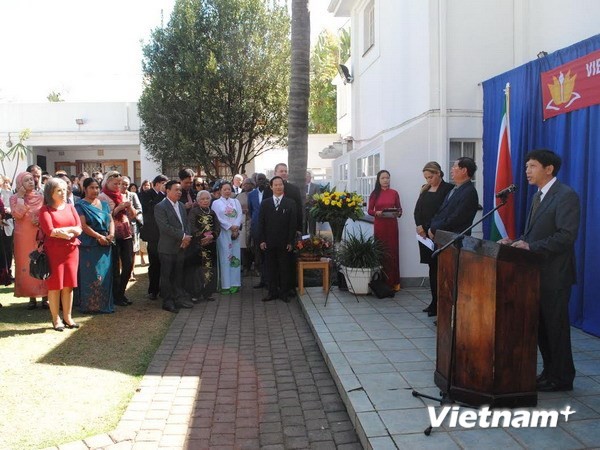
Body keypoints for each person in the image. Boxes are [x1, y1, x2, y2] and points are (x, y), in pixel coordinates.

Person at [499, 149, 580, 392]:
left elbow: (566, 236)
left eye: (532, 166)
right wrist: (515, 241)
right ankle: (549, 372)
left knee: (555, 328)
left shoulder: (565, 196)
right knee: (542, 328)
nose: (527, 171)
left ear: (548, 169)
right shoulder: (538, 197)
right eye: (526, 167)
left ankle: (563, 377)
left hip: (555, 275)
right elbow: (533, 235)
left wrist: (531, 246)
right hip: (535, 274)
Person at [38, 177, 82, 331]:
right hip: (54, 252)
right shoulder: (45, 210)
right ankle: (56, 319)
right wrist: (69, 231)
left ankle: (68, 317)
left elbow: (79, 228)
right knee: (55, 285)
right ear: (50, 193)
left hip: (71, 250)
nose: (63, 193)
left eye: (64, 189)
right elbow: (50, 231)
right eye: (59, 190)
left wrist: (66, 232)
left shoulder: (71, 207)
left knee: (69, 285)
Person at [413, 162, 454, 316]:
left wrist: (430, 228)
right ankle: (433, 301)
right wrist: (419, 226)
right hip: (425, 236)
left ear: (438, 174)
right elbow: (417, 211)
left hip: (438, 234)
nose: (428, 180)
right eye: (426, 178)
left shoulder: (448, 189)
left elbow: (443, 213)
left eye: (431, 177)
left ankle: (442, 303)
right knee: (432, 268)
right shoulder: (425, 189)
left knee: (441, 269)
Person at [74, 178, 115, 313]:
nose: (95, 190)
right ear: (85, 189)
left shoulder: (104, 204)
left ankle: (104, 305)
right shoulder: (80, 205)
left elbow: (110, 220)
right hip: (89, 244)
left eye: (97, 187)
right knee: (91, 274)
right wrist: (99, 237)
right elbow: (83, 225)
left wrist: (111, 234)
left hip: (105, 244)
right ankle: (90, 305)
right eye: (92, 187)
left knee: (105, 274)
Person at [10, 172, 48, 309]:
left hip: (39, 234)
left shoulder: (41, 197)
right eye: (26, 180)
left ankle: (45, 297)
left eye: (32, 179)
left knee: (42, 261)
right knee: (26, 263)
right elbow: (17, 214)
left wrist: (40, 221)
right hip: (23, 236)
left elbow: (46, 212)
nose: (31, 182)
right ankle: (31, 297)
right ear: (20, 184)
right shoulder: (14, 198)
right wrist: (20, 197)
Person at [154, 180, 194, 312]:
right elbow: (165, 227)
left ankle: (178, 298)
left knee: (178, 274)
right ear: (167, 190)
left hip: (181, 246)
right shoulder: (160, 206)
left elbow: (186, 222)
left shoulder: (181, 205)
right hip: (167, 247)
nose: (179, 192)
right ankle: (168, 301)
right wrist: (183, 236)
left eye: (180, 190)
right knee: (167, 275)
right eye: (176, 189)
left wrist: (186, 237)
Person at [99, 171, 136, 306]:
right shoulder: (102, 197)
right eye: (115, 183)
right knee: (115, 266)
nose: (118, 186)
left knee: (128, 264)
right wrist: (119, 207)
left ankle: (121, 292)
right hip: (113, 233)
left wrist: (129, 205)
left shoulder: (123, 195)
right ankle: (116, 295)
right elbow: (105, 216)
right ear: (107, 182)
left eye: (120, 183)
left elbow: (133, 215)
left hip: (126, 232)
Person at [258, 176, 297, 303]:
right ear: (271, 187)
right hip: (269, 242)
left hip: (284, 242)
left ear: (283, 186)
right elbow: (261, 223)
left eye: (280, 184)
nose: (278, 187)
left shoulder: (290, 203)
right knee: (271, 268)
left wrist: (291, 242)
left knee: (284, 268)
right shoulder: (265, 203)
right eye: (275, 185)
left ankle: (284, 293)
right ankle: (272, 292)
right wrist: (262, 240)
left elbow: (293, 224)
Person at [428, 157, 479, 241]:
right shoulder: (454, 189)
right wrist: (432, 226)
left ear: (464, 170)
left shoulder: (469, 192)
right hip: (443, 239)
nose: (451, 170)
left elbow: (456, 218)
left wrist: (434, 228)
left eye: (454, 167)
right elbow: (441, 212)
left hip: (455, 241)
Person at [368, 170, 403, 291]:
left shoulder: (394, 193)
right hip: (380, 225)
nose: (385, 180)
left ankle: (394, 282)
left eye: (387, 178)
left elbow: (400, 210)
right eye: (383, 178)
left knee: (393, 252)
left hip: (392, 225)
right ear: (378, 180)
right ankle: (381, 283)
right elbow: (369, 211)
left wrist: (397, 212)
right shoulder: (374, 194)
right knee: (382, 252)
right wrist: (376, 212)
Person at [186, 190, 220, 302]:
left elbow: (217, 227)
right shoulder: (194, 212)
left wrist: (212, 236)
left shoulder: (212, 212)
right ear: (198, 201)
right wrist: (202, 237)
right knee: (197, 271)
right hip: (197, 245)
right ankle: (196, 293)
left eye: (207, 199)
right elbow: (191, 226)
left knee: (210, 269)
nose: (205, 201)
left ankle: (208, 293)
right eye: (202, 199)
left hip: (211, 245)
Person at [139, 174, 168, 299]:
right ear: (157, 184)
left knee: (165, 263)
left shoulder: (167, 196)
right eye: (164, 184)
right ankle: (153, 290)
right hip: (153, 235)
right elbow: (149, 209)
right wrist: (161, 195)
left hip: (165, 234)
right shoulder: (146, 194)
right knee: (154, 263)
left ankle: (164, 288)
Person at [211, 181, 243, 294]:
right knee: (225, 257)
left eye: (229, 189)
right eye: (224, 189)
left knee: (235, 257)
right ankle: (225, 284)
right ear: (220, 191)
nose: (227, 191)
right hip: (223, 233)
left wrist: (236, 227)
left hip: (235, 233)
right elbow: (217, 218)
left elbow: (239, 214)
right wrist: (229, 226)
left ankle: (235, 283)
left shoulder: (236, 201)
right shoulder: (216, 203)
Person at [248, 173, 271, 288]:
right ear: (255, 181)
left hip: (270, 227)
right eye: (259, 179)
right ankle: (263, 280)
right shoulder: (251, 194)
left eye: (263, 179)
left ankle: (270, 280)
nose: (261, 181)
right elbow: (251, 210)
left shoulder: (270, 192)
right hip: (257, 227)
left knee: (269, 255)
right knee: (259, 254)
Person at [121, 176, 143, 281]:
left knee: (133, 251)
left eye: (126, 184)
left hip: (132, 226)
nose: (124, 186)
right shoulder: (115, 195)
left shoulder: (133, 195)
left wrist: (131, 212)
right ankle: (122, 270)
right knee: (121, 251)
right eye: (122, 183)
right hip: (119, 228)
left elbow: (139, 209)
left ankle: (131, 272)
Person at [236, 177, 255, 275]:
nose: (245, 185)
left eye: (248, 183)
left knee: (253, 245)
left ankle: (255, 267)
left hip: (253, 221)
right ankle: (245, 266)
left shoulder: (256, 194)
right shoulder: (240, 196)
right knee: (243, 245)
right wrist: (242, 210)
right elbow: (236, 208)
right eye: (244, 184)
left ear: (252, 184)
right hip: (243, 222)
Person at [0, 176, 15, 282]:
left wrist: (8, 210)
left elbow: (14, 209)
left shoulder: (8, 194)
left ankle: (8, 272)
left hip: (8, 224)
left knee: (8, 250)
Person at [304, 171, 320, 235]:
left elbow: (318, 197)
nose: (306, 178)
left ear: (310, 177)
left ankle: (312, 240)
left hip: (312, 209)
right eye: (305, 176)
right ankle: (303, 241)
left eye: (307, 176)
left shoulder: (316, 186)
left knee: (312, 226)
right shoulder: (300, 187)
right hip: (303, 209)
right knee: (303, 226)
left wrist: (309, 200)